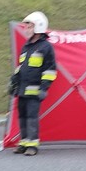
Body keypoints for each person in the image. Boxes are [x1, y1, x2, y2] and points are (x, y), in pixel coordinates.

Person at [9, 11, 57, 156]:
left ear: (39, 27)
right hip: (22, 90)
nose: (27, 29)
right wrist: (14, 82)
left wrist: (44, 88)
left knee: (31, 118)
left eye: (30, 26)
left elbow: (50, 70)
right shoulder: (26, 47)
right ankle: (24, 142)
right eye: (27, 26)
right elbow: (21, 67)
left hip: (35, 91)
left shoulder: (45, 47)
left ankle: (32, 144)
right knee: (22, 117)